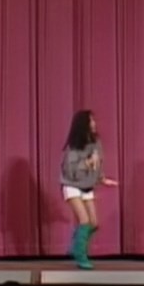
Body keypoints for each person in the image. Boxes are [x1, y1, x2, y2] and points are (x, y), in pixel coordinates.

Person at [60, 110, 118, 269]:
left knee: (93, 223)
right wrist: (87, 163)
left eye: (94, 120)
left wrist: (102, 179)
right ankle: (80, 255)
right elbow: (70, 171)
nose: (94, 123)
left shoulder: (95, 142)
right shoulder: (74, 146)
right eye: (91, 121)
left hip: (87, 185)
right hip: (72, 185)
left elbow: (98, 164)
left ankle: (75, 244)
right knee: (84, 221)